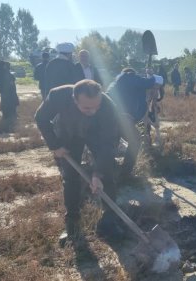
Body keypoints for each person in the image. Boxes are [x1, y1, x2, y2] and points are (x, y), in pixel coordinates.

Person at [35, 79, 122, 242]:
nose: (93, 111)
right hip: (69, 133)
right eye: (87, 107)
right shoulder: (57, 95)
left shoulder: (108, 107)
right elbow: (41, 118)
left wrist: (98, 173)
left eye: (97, 106)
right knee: (70, 177)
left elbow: (108, 143)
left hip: (97, 133)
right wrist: (55, 145)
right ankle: (72, 225)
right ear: (74, 99)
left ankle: (110, 222)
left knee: (107, 175)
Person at [108, 68, 163, 177]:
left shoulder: (118, 82)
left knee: (113, 142)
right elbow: (151, 81)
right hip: (121, 116)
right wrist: (152, 76)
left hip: (112, 115)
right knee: (135, 140)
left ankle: (110, 169)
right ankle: (125, 173)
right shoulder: (129, 78)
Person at [0, 61, 19, 128]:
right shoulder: (5, 73)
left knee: (5, 103)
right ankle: (11, 116)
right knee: (11, 103)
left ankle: (6, 116)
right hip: (9, 91)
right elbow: (11, 82)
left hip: (3, 91)